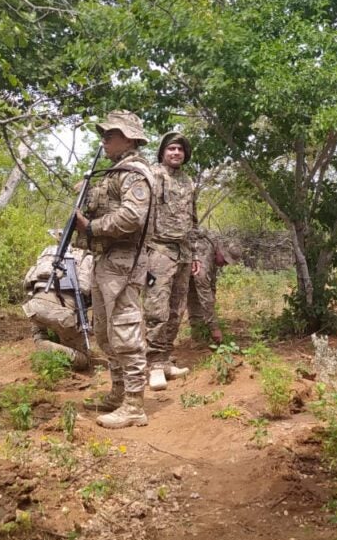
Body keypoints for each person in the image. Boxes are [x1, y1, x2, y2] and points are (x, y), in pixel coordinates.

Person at [74, 110, 156, 429]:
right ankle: (119, 392)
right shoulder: (114, 172)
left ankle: (134, 404)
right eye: (104, 135)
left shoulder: (134, 173)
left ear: (130, 138)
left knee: (125, 330)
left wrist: (92, 227)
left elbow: (131, 218)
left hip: (124, 261)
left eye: (111, 135)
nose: (104, 141)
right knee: (105, 331)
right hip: (105, 260)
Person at [145, 132, 200, 391]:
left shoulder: (189, 182)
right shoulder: (153, 175)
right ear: (162, 153)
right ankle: (153, 364)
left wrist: (196, 253)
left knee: (177, 309)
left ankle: (166, 359)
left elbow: (193, 219)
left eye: (180, 149)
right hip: (158, 249)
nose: (176, 153)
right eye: (171, 149)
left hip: (184, 251)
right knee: (157, 309)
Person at [21, 230, 94, 370]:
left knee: (40, 314)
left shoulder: (47, 253)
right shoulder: (86, 257)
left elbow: (28, 284)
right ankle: (44, 346)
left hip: (34, 308)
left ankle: (41, 340)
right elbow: (86, 290)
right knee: (84, 360)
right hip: (62, 315)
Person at [188, 229, 241, 345]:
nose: (224, 265)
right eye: (226, 261)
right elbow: (204, 291)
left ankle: (198, 337)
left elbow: (211, 285)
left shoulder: (214, 250)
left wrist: (212, 299)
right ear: (221, 252)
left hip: (189, 275)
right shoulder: (205, 252)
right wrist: (214, 328)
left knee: (196, 298)